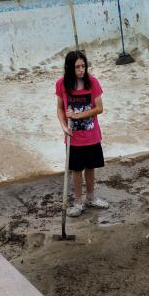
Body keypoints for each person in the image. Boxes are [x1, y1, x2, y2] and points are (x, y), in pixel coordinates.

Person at [55, 49, 106, 216]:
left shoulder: (92, 82)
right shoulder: (62, 84)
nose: (81, 70)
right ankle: (78, 202)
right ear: (69, 67)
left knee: (90, 168)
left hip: (91, 136)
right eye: (77, 67)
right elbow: (60, 108)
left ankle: (91, 198)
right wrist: (63, 126)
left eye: (83, 66)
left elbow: (99, 108)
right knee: (76, 170)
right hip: (73, 138)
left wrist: (77, 115)